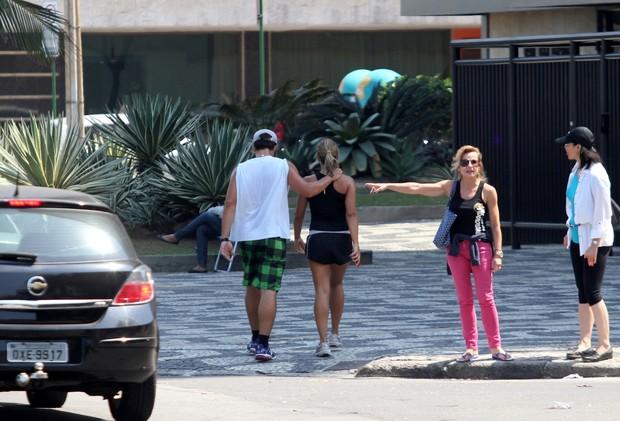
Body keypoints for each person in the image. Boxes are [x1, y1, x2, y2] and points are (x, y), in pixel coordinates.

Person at [365, 145, 512, 362]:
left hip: (480, 248)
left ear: (479, 165)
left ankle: (496, 347)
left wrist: (498, 253)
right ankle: (471, 348)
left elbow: (497, 226)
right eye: (464, 163)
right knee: (464, 300)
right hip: (455, 249)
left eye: (473, 162)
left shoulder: (487, 191)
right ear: (458, 167)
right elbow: (418, 188)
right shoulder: (450, 188)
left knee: (486, 298)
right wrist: (388, 185)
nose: (469, 166)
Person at [219, 128, 342, 362]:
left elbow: (230, 204)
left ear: (253, 146)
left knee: (251, 285)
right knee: (269, 288)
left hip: (246, 235)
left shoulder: (240, 169)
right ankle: (264, 344)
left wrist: (225, 238)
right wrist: (331, 178)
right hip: (274, 234)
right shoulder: (284, 166)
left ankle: (255, 338)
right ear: (274, 147)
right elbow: (307, 190)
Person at [293, 138, 361, 357]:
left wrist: (297, 237)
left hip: (318, 238)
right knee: (337, 284)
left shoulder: (308, 181)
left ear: (317, 157)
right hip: (341, 238)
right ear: (337, 155)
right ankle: (335, 335)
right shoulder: (347, 182)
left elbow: (299, 214)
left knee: (321, 290)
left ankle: (322, 342)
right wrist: (356, 243)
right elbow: (351, 214)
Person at [555, 126, 614, 362]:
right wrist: (569, 230)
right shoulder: (577, 170)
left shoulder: (596, 173)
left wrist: (595, 243)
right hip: (578, 237)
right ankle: (585, 341)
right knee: (582, 292)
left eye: (568, 144)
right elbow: (573, 204)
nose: (565, 148)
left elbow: (603, 211)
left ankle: (605, 344)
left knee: (593, 291)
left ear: (578, 146)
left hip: (595, 240)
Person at [158, 205, 223, 273]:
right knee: (202, 229)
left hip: (231, 229)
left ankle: (177, 236)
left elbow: (227, 209)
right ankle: (201, 265)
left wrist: (213, 210)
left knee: (207, 215)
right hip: (228, 227)